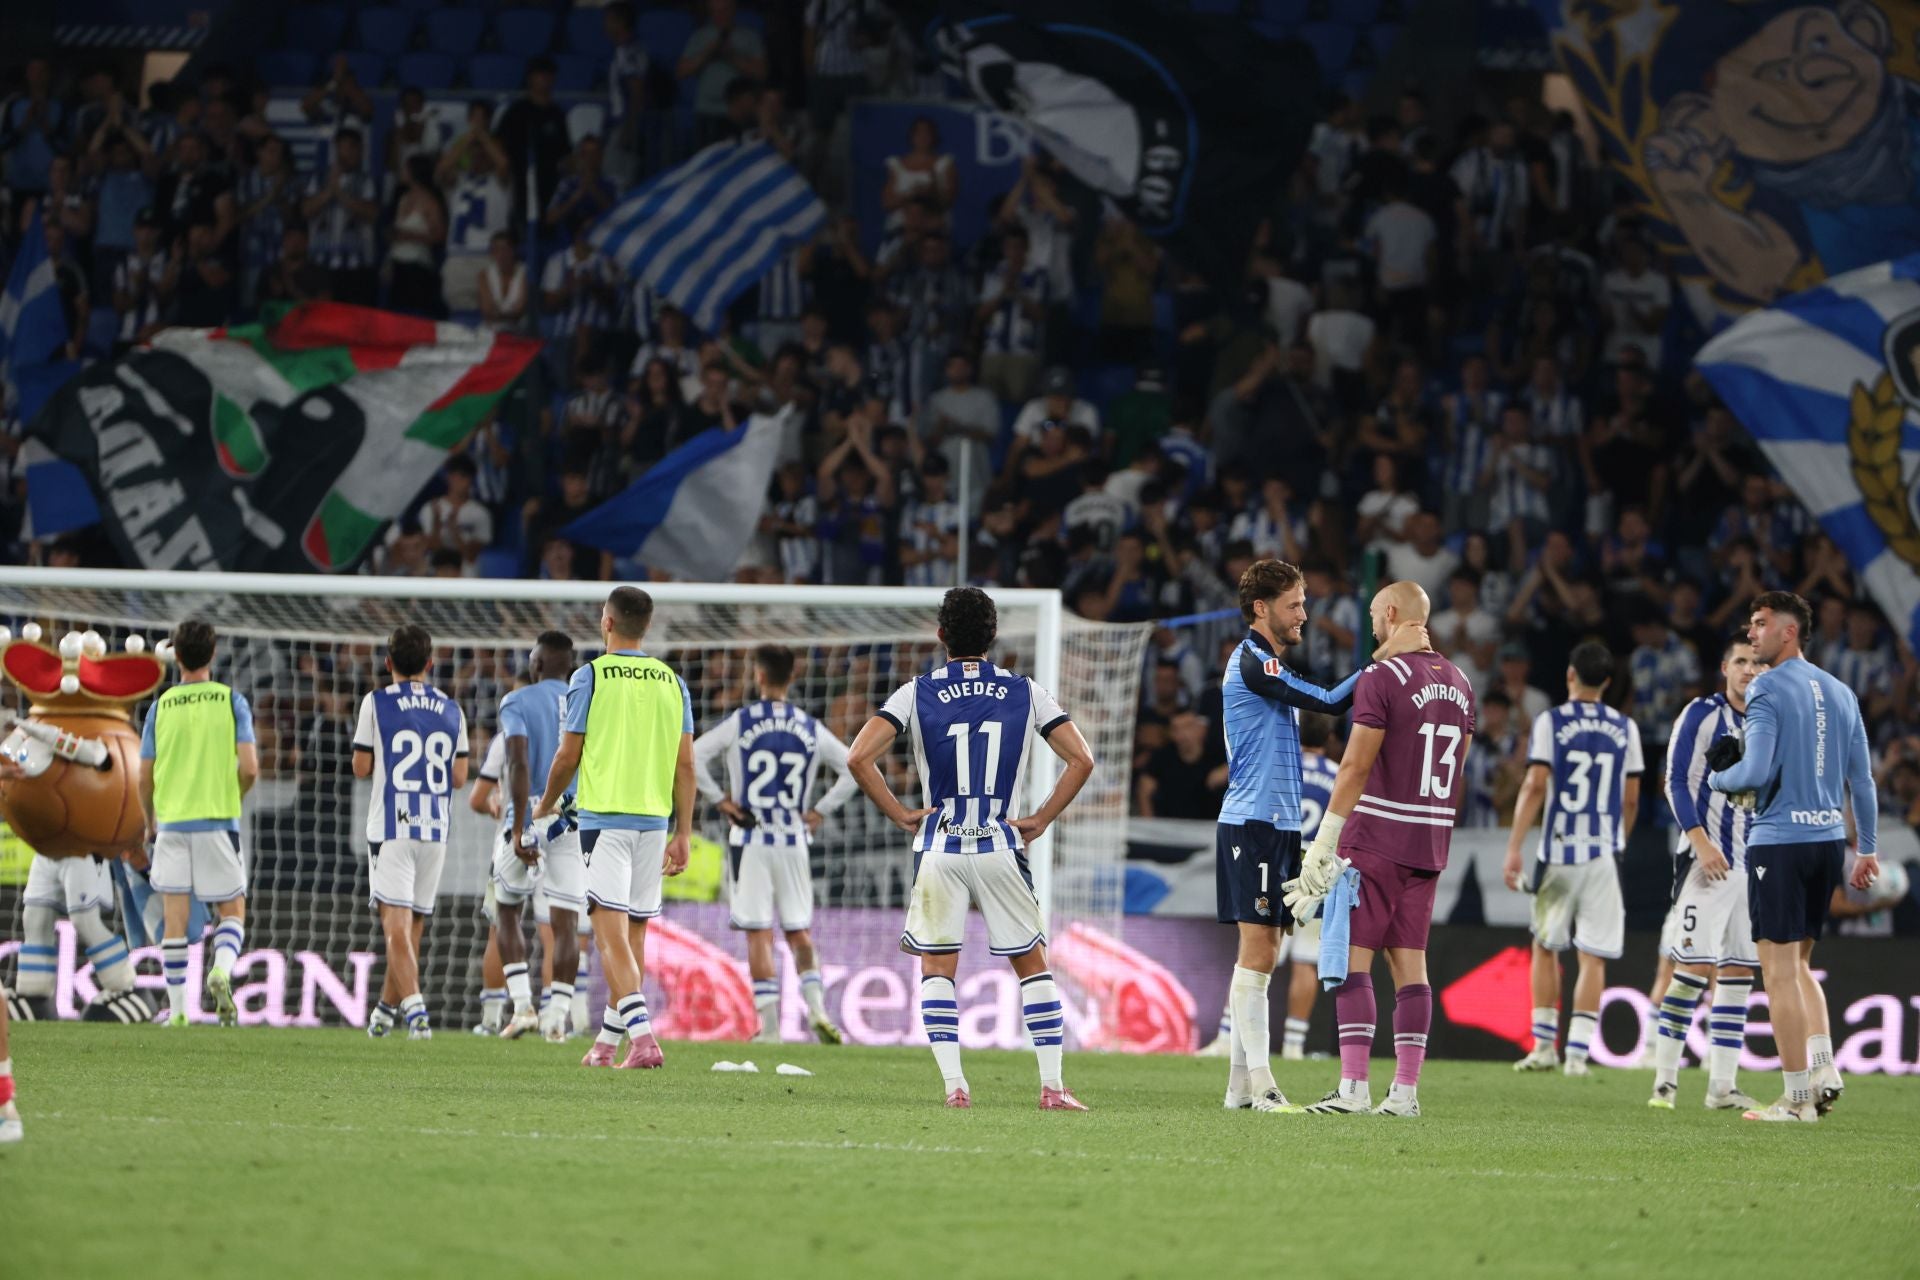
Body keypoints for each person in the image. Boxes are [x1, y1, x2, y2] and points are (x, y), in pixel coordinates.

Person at [845, 587, 1097, 1110]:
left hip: (940, 841)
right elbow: (1082, 759)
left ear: (940, 636)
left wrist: (899, 813)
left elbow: (858, 757)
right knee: (1033, 964)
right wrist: (1042, 819)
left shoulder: (916, 691)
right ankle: (1052, 1086)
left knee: (938, 966)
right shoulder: (1025, 690)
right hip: (1000, 841)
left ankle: (954, 1087)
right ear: (993, 637)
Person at [1212, 560, 1428, 1113]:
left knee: (1268, 948)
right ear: (1261, 609)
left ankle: (1239, 1087)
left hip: (1279, 823)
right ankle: (1261, 1082)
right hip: (1252, 821)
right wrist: (1384, 658)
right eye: (1294, 605)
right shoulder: (1251, 661)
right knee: (1258, 951)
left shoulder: (1271, 665)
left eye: (1304, 603)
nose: (1304, 614)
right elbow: (1332, 704)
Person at [1287, 581, 1473, 1116]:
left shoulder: (1382, 677)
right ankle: (1406, 1094)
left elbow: (1356, 765)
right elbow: (1457, 769)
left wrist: (1326, 840)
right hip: (1430, 839)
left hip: (1377, 837)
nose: (1371, 624)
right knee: (1411, 965)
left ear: (1391, 614)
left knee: (1352, 961)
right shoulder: (1461, 682)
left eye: (1373, 615)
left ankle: (1352, 1088)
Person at [1706, 591, 1878, 1123]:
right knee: (1801, 964)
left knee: (1777, 971)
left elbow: (1753, 773)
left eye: (1760, 624)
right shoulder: (1842, 691)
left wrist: (1718, 778)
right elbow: (1862, 780)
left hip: (1778, 843)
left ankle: (1797, 1098)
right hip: (1827, 842)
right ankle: (1825, 1068)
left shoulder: (1766, 690)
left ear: (1789, 631)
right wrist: (1866, 849)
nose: (1751, 633)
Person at [535, 587, 695, 1070]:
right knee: (633, 936)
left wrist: (544, 805)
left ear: (607, 623)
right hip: (653, 820)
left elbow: (568, 755)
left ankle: (643, 1039)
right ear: (644, 627)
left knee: (607, 937)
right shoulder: (672, 681)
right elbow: (685, 764)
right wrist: (683, 831)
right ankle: (607, 1043)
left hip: (604, 820)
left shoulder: (591, 677)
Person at [693, 643, 859, 1045]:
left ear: (759, 676)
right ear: (793, 676)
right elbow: (854, 768)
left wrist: (720, 801)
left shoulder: (741, 721)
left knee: (758, 933)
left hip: (750, 837)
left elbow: (693, 755)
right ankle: (817, 1009)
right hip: (793, 838)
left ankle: (769, 1029)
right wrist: (819, 810)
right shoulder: (809, 726)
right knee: (799, 930)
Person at [1503, 640, 1643, 1077]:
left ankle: (1545, 1046)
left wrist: (1514, 847)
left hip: (1559, 851)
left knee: (1546, 946)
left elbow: (1535, 784)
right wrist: (1617, 840)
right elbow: (1632, 798)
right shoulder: (1626, 728)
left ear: (1570, 676)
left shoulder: (1551, 721)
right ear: (1606, 681)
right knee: (1593, 955)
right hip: (1602, 853)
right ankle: (1579, 1055)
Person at [1648, 635, 1765, 1112]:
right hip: (1705, 862)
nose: (1749, 670)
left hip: (1752, 862)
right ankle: (1664, 1082)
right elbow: (1675, 779)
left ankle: (1721, 1086)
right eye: (1741, 661)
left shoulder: (1770, 720)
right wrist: (1699, 840)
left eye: (1758, 662)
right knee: (1692, 969)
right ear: (1724, 666)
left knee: (1737, 972)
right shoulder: (1701, 713)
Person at [138, 619, 259, 1029]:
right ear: (214, 653)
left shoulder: (160, 705)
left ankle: (179, 1011)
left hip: (170, 823)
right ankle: (221, 970)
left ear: (176, 656)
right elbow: (251, 768)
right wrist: (233, 797)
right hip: (216, 820)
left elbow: (144, 775)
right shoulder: (231, 701)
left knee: (175, 918)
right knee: (233, 911)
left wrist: (149, 819)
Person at [353, 625, 472, 1040]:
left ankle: (416, 1011)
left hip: (392, 828)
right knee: (411, 928)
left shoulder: (376, 702)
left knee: (395, 927)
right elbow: (460, 777)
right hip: (435, 829)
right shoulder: (451, 708)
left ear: (388, 664)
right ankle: (386, 1010)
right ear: (429, 664)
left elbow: (362, 768)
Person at [1198, 711, 1337, 1061]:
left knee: (1252, 950)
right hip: (1314, 875)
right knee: (1306, 963)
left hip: (1274, 865)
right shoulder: (1338, 776)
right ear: (1329, 737)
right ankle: (1293, 1044)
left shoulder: (1282, 766)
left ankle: (1228, 1036)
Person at [493, 632, 585, 1042]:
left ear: (538, 664)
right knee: (566, 921)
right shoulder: (590, 703)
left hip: (531, 810)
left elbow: (516, 761)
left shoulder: (518, 701)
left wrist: (518, 827)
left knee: (507, 907)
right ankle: (557, 1021)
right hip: (573, 816)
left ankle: (523, 1006)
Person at [300, 126, 380, 305]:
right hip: (321, 263)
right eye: (342, 147)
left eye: (352, 147)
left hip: (356, 267)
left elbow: (372, 214)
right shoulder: (319, 178)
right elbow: (306, 210)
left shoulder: (366, 180)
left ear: (360, 151)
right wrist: (330, 191)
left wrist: (341, 194)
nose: (347, 153)